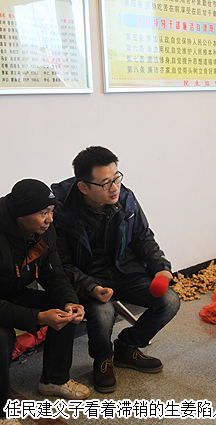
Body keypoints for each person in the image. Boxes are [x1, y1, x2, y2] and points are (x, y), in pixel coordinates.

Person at [0, 179, 90, 425]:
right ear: (20, 214)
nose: (49, 219)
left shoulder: (44, 230)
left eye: (51, 211)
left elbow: (53, 274)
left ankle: (54, 380)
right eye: (43, 213)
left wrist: (70, 301)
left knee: (63, 309)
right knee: (0, 336)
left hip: (10, 292)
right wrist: (38, 317)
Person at [51, 146, 181, 394]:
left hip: (124, 271)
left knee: (169, 301)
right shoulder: (62, 212)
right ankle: (103, 359)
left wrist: (161, 268)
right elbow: (61, 264)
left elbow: (143, 237)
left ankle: (127, 347)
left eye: (117, 178)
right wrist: (90, 287)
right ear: (83, 187)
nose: (114, 188)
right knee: (103, 313)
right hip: (88, 278)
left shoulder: (126, 198)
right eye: (105, 183)